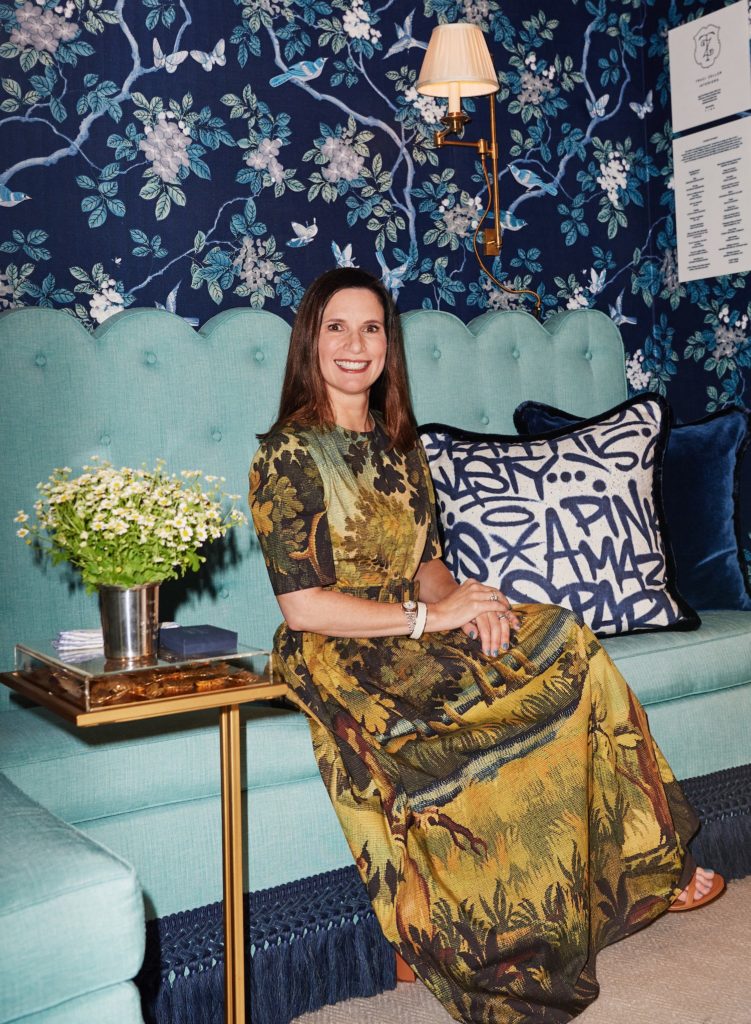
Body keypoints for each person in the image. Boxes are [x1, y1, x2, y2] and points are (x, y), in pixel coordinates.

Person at [249, 268, 723, 1024]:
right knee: (473, 732)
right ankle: (473, 941)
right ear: (311, 341)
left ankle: (649, 865)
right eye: (337, 327)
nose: (355, 344)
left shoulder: (397, 444)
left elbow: (425, 563)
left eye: (371, 328)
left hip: (415, 624)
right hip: (343, 649)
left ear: (386, 346)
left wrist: (470, 605)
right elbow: (303, 606)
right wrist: (425, 622)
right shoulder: (288, 454)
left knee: (564, 640)